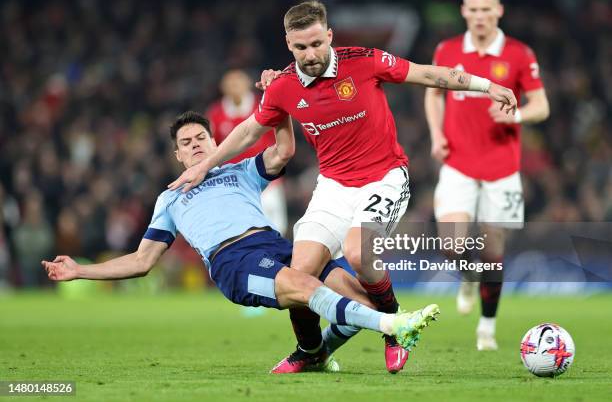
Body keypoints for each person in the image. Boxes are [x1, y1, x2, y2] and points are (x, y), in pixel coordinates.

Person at [167, 0, 516, 373]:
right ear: (289, 44)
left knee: (358, 252)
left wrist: (487, 85)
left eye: (317, 44)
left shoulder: (364, 61)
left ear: (329, 35)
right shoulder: (283, 86)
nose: (311, 54)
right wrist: (205, 165)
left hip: (385, 176)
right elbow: (250, 130)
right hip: (333, 186)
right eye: (301, 47)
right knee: (299, 272)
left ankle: (394, 328)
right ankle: (311, 351)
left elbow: (428, 75)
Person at [41, 111, 440, 372]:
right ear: (177, 155)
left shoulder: (239, 171)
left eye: (201, 137)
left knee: (360, 301)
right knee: (308, 287)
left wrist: (280, 109)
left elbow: (284, 151)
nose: (196, 144)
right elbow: (142, 261)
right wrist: (80, 271)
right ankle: (396, 324)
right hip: (233, 262)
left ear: (215, 143)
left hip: (274, 244)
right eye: (186, 142)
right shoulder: (170, 198)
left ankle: (318, 353)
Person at [424, 0, 550, 351]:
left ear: (499, 11)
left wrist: (515, 118)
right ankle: (467, 277)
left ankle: (487, 329)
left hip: (502, 168)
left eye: (486, 9)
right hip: (458, 163)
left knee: (494, 252)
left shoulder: (518, 53)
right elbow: (433, 94)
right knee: (451, 245)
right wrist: (435, 134)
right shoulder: (447, 50)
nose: (479, 16)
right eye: (473, 9)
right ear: (464, 11)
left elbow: (541, 106)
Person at [207, 69, 288, 235]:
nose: (234, 86)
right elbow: (211, 148)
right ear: (223, 87)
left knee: (276, 228)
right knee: (241, 231)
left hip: (267, 180)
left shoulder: (264, 105)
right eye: (230, 83)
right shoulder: (216, 114)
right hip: (234, 182)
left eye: (238, 81)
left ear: (247, 84)